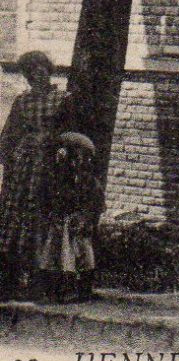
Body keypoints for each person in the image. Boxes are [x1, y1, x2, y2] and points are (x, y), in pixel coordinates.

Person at [0, 51, 66, 298]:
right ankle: (12, 278)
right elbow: (10, 133)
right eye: (32, 72)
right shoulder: (22, 101)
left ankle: (43, 280)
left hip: (49, 164)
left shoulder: (62, 99)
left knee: (43, 217)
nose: (37, 76)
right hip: (23, 166)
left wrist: (59, 149)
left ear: (49, 72)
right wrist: (6, 159)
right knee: (15, 216)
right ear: (27, 77)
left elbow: (69, 132)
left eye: (42, 70)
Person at [34, 131, 103, 303]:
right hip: (61, 220)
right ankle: (57, 291)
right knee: (56, 254)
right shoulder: (58, 176)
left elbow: (95, 201)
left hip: (77, 222)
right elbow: (47, 196)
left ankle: (81, 290)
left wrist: (84, 217)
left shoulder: (87, 180)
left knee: (81, 255)